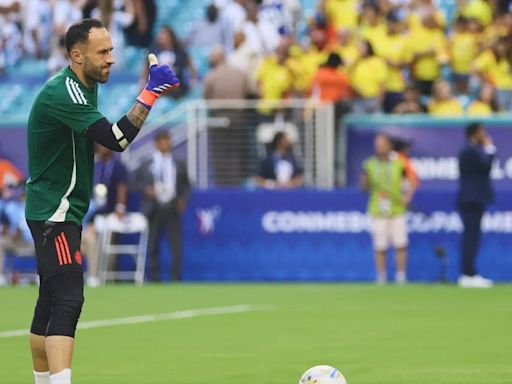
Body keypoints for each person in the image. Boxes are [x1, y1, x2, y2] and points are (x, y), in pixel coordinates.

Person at [25, 18, 179, 384]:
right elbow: (115, 140)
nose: (111, 58)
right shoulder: (66, 92)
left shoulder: (84, 84)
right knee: (68, 299)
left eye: (111, 49)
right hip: (55, 212)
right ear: (77, 56)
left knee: (49, 302)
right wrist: (150, 93)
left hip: (57, 209)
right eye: (103, 52)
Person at [133, 131, 191, 282]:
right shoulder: (147, 163)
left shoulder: (178, 163)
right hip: (154, 206)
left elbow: (187, 185)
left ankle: (175, 277)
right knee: (153, 243)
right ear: (156, 144)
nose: (167, 144)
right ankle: (154, 276)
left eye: (168, 140)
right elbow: (134, 181)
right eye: (163, 141)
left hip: (172, 206)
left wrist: (183, 199)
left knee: (176, 244)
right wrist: (146, 189)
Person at [360, 133, 415, 284]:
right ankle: (381, 276)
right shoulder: (369, 164)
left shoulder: (399, 163)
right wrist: (365, 181)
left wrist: (407, 197)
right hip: (378, 209)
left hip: (397, 209)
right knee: (380, 245)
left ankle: (401, 275)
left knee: (400, 243)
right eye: (377, 144)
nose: (379, 147)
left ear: (389, 146)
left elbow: (411, 181)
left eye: (382, 144)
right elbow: (363, 189)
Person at [81, 144, 128, 287]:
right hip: (93, 212)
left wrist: (120, 207)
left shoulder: (118, 166)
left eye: (105, 145)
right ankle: (95, 274)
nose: (102, 148)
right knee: (92, 241)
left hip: (110, 212)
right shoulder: (94, 166)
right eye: (99, 145)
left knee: (109, 242)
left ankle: (109, 275)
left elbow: (122, 187)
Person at [457, 122, 495, 288]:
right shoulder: (469, 152)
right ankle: (468, 274)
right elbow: (486, 165)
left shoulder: (470, 151)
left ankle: (469, 273)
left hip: (473, 200)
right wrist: (490, 148)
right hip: (471, 199)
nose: (484, 135)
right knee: (470, 237)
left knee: (472, 237)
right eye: (482, 132)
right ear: (475, 134)